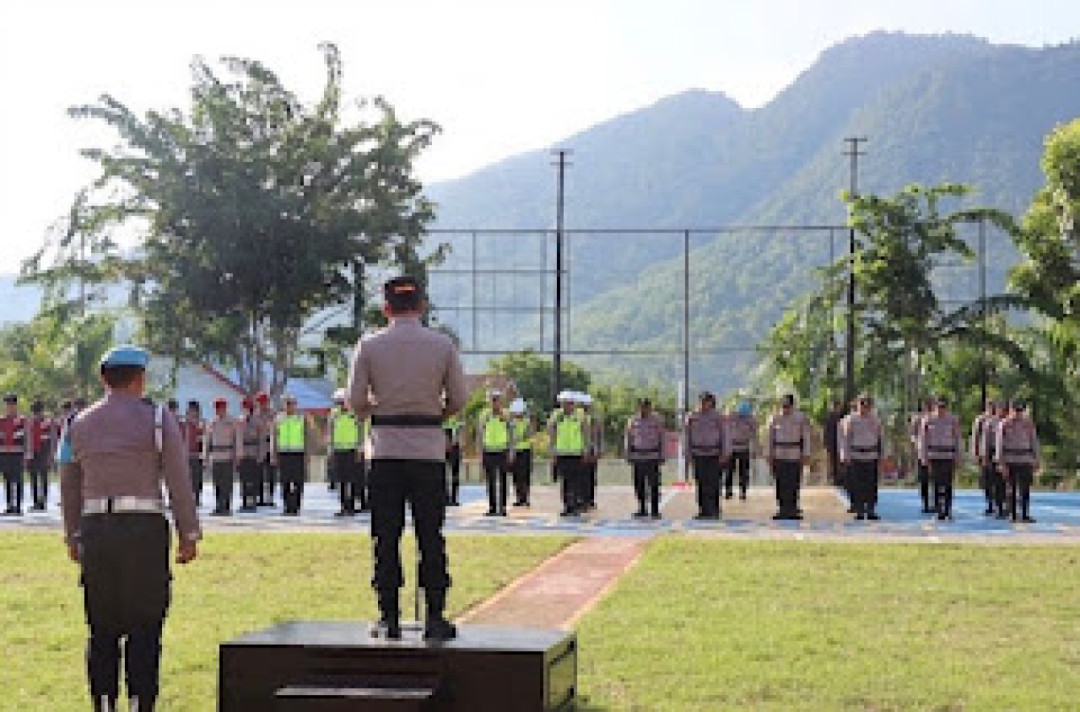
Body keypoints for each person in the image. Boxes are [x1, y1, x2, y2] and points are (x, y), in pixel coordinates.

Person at [58, 345, 200, 712]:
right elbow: (178, 479)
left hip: (96, 529)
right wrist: (188, 533)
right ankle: (141, 701)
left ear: (103, 379)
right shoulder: (157, 419)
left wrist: (72, 534)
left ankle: (104, 701)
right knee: (146, 623)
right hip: (144, 528)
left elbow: (69, 483)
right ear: (139, 378)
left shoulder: (77, 424)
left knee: (101, 625)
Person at [347, 275, 467, 641]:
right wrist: (433, 413)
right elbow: (459, 399)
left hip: (385, 450)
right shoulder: (442, 345)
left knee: (386, 536)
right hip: (428, 451)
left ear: (386, 309)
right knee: (431, 535)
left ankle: (389, 617)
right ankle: (435, 616)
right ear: (422, 306)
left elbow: (355, 401)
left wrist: (378, 409)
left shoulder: (369, 346)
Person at [839, 395, 884, 520]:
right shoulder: (851, 420)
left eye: (867, 405)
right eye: (862, 404)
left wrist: (883, 455)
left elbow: (881, 438)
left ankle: (870, 509)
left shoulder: (875, 420)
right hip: (856, 455)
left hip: (871, 455)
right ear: (858, 405)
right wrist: (845, 455)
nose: (864, 407)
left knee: (871, 484)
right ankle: (859, 509)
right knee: (857, 485)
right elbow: (846, 439)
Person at [767, 394, 811, 521]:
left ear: (792, 405)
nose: (785, 408)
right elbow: (770, 438)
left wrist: (806, 454)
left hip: (794, 454)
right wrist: (769, 454)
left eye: (787, 405)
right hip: (779, 453)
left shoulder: (800, 418)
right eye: (783, 405)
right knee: (780, 482)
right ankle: (782, 508)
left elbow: (806, 437)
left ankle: (792, 509)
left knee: (793, 482)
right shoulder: (775, 418)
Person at [996, 400, 1041, 523]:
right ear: (1011, 410)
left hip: (1025, 459)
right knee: (1011, 488)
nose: (1018, 413)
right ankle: (1013, 514)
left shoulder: (1028, 424)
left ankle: (1025, 514)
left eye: (1020, 411)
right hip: (1010, 459)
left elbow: (1034, 442)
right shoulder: (1004, 424)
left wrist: (1037, 460)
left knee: (1025, 489)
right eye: (1016, 410)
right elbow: (999, 444)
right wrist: (1001, 462)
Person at [918, 396, 961, 521]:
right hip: (934, 456)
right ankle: (939, 510)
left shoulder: (952, 420)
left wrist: (958, 455)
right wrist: (923, 456)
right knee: (936, 484)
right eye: (939, 406)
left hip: (948, 455)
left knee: (948, 484)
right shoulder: (928, 420)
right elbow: (923, 439)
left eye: (943, 406)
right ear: (935, 406)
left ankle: (947, 509)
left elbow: (957, 438)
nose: (941, 409)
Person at [548, 392, 590, 517]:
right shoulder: (557, 416)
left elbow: (585, 433)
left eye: (571, 403)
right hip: (562, 453)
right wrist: (552, 451)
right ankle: (567, 506)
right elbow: (552, 433)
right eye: (566, 403)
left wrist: (585, 449)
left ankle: (575, 505)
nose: (568, 406)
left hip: (576, 453)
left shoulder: (580, 415)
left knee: (576, 481)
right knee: (565, 481)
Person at [685, 392, 726, 520]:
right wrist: (688, 454)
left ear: (711, 403)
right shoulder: (692, 417)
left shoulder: (718, 417)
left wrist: (724, 453)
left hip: (714, 453)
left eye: (706, 402)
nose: (704, 404)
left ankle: (714, 509)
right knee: (701, 482)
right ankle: (703, 510)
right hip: (698, 453)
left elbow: (725, 435)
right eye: (702, 401)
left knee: (713, 482)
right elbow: (687, 436)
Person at [625, 398, 665, 518]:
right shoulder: (633, 421)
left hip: (653, 456)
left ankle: (655, 510)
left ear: (650, 408)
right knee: (639, 484)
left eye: (646, 407)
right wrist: (627, 454)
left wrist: (662, 455)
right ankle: (642, 508)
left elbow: (662, 438)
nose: (644, 409)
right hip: (637, 456)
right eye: (642, 406)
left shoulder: (657, 421)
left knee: (654, 484)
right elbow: (629, 438)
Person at [328, 389, 364, 516]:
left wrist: (359, 449)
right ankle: (343, 506)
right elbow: (331, 433)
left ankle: (351, 506)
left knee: (352, 480)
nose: (340, 405)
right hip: (338, 450)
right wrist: (331, 450)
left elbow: (360, 433)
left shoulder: (354, 415)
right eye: (338, 402)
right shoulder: (334, 416)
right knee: (341, 480)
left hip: (352, 450)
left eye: (342, 402)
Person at [477, 391, 513, 517]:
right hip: (488, 451)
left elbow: (511, 434)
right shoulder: (485, 415)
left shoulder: (506, 415)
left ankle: (502, 507)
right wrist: (480, 452)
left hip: (502, 450)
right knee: (490, 480)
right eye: (492, 400)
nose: (495, 402)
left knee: (503, 480)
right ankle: (492, 507)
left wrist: (511, 451)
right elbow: (480, 434)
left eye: (497, 399)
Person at [272, 395, 309, 516]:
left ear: (295, 405)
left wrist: (307, 454)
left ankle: (296, 506)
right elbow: (274, 437)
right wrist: (274, 453)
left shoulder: (301, 418)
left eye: (291, 404)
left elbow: (307, 436)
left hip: (298, 453)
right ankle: (287, 506)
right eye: (287, 404)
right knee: (285, 481)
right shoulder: (278, 419)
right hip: (283, 453)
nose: (289, 406)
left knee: (298, 481)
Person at [971, 400, 1001, 517]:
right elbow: (976, 437)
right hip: (985, 452)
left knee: (999, 479)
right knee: (987, 480)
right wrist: (976, 453)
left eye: (994, 406)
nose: (992, 408)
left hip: (998, 451)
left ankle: (1000, 503)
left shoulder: (1001, 419)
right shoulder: (981, 420)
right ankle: (990, 504)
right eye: (990, 406)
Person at [725, 400, 759, 501]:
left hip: (744, 447)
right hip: (732, 447)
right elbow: (725, 429)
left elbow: (754, 435)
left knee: (744, 471)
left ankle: (743, 491)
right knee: (729, 470)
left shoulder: (751, 420)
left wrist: (755, 449)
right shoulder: (731, 417)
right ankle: (728, 490)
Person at [0, 393, 27, 515]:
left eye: (11, 404)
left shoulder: (21, 420)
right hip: (4, 453)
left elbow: (26, 437)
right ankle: (9, 505)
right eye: (7, 404)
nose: (9, 406)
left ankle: (18, 506)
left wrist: (27, 453)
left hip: (17, 453)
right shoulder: (1, 420)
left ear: (15, 405)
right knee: (7, 479)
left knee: (18, 479)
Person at [236, 397, 264, 513]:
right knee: (244, 479)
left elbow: (261, 439)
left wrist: (260, 455)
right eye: (244, 407)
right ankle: (244, 501)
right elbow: (237, 439)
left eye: (247, 407)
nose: (245, 410)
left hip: (253, 452)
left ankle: (252, 502)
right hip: (243, 453)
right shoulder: (239, 421)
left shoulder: (257, 421)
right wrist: (238, 455)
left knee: (253, 479)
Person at [27, 400, 54, 511]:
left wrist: (51, 455)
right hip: (33, 452)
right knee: (33, 477)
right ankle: (35, 502)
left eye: (38, 411)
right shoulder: (29, 423)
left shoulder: (48, 422)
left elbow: (52, 439)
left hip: (44, 451)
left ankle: (43, 501)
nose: (37, 414)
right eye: (35, 411)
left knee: (44, 477)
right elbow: (27, 439)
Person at [509, 399, 535, 507]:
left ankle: (525, 497)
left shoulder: (527, 422)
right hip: (515, 451)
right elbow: (510, 438)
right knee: (516, 476)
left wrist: (527, 432)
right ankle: (519, 498)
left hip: (525, 450)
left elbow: (530, 434)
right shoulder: (511, 423)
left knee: (525, 475)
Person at [179, 401, 205, 507]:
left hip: (197, 455)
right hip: (185, 455)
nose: (191, 413)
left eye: (194, 411)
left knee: (197, 478)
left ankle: (197, 498)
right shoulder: (182, 425)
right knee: (185, 478)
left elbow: (204, 440)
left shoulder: (201, 424)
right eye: (190, 410)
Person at [910, 399, 934, 514]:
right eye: (927, 405)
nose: (929, 407)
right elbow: (913, 434)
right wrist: (918, 444)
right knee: (924, 479)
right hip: (922, 452)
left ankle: (937, 503)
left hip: (936, 452)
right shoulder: (918, 418)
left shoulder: (938, 418)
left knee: (937, 479)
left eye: (931, 404)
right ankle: (926, 503)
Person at [581, 394, 603, 510]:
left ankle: (590, 499)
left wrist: (599, 450)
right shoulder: (578, 418)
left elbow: (600, 435)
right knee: (580, 476)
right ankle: (581, 499)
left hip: (592, 450)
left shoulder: (595, 419)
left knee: (591, 475)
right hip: (580, 450)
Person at [256, 392, 276, 507]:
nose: (262, 405)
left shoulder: (273, 415)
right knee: (259, 474)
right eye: (260, 402)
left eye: (264, 402)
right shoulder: (255, 415)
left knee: (270, 474)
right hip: (259, 447)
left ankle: (270, 497)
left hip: (270, 446)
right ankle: (260, 497)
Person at [823, 400, 845, 491]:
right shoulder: (829, 418)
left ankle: (841, 478)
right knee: (834, 461)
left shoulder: (842, 417)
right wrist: (826, 443)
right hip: (833, 443)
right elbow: (826, 431)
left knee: (841, 461)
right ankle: (836, 479)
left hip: (841, 442)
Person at [442, 412, 463, 506]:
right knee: (443, 474)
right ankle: (445, 498)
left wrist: (458, 443)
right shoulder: (443, 416)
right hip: (444, 447)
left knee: (455, 474)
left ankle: (454, 498)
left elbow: (461, 432)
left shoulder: (458, 417)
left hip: (455, 447)